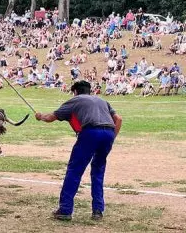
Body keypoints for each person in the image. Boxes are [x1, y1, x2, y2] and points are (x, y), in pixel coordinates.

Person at [35, 81, 123, 221]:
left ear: (75, 91)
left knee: (74, 170)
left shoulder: (75, 100)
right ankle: (98, 211)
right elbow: (118, 119)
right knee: (98, 171)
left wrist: (40, 117)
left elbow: (51, 117)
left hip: (90, 133)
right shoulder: (102, 100)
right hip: (108, 133)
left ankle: (65, 210)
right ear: (89, 90)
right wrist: (111, 138)